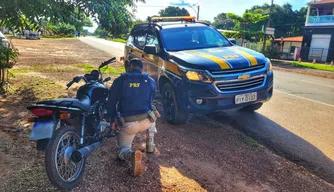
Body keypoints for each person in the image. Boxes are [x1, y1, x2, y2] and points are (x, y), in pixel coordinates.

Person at [107, 58, 159, 176]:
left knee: (122, 150)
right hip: (147, 121)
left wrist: (112, 119)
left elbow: (111, 103)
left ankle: (131, 155)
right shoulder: (150, 80)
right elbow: (152, 98)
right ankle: (150, 145)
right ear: (141, 68)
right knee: (153, 112)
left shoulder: (120, 81)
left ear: (129, 67)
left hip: (129, 124)